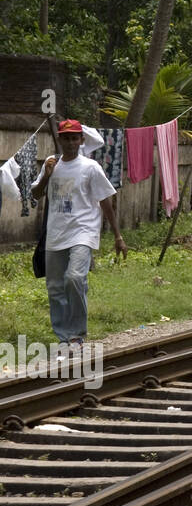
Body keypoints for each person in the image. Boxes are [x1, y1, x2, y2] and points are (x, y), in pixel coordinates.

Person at [30, 119, 127, 349]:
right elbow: (35, 194)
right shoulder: (51, 164)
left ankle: (77, 334)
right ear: (60, 139)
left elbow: (105, 201)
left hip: (83, 232)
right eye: (67, 138)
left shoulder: (90, 168)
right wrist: (46, 175)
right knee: (55, 287)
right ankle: (64, 337)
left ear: (82, 140)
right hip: (55, 233)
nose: (71, 142)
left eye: (75, 138)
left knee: (74, 278)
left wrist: (117, 236)